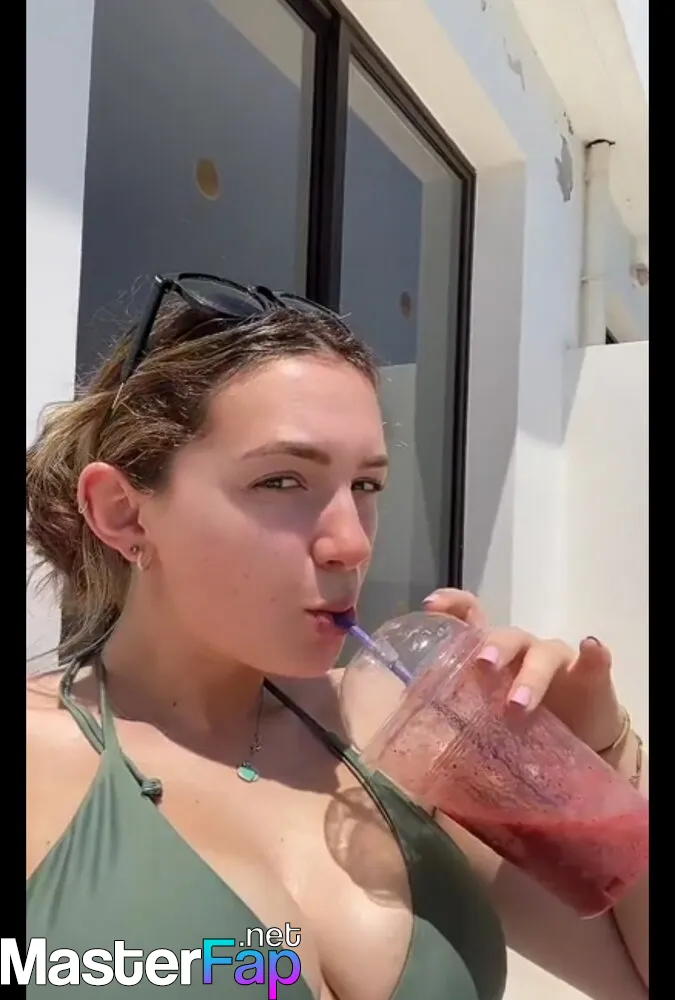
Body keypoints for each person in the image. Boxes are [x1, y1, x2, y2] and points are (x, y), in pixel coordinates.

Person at [26, 273, 648, 999]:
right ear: (123, 512)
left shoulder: (396, 736)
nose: (350, 543)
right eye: (281, 482)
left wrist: (604, 758)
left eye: (367, 486)